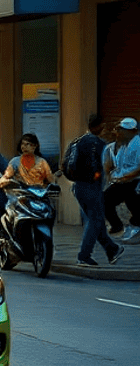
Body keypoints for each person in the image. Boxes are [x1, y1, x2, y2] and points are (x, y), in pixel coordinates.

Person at [64, 114, 125, 268]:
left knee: (96, 222)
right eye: (103, 126)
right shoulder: (98, 143)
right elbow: (108, 165)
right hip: (92, 187)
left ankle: (112, 249)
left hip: (78, 187)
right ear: (99, 126)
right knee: (95, 220)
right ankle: (84, 256)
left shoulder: (77, 141)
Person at [102, 117, 140, 241]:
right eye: (119, 130)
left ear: (133, 131)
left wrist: (125, 177)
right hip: (121, 182)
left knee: (133, 204)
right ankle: (117, 226)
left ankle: (135, 227)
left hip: (134, 182)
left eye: (122, 130)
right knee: (104, 201)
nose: (119, 132)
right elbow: (114, 165)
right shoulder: (121, 145)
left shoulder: (137, 144)